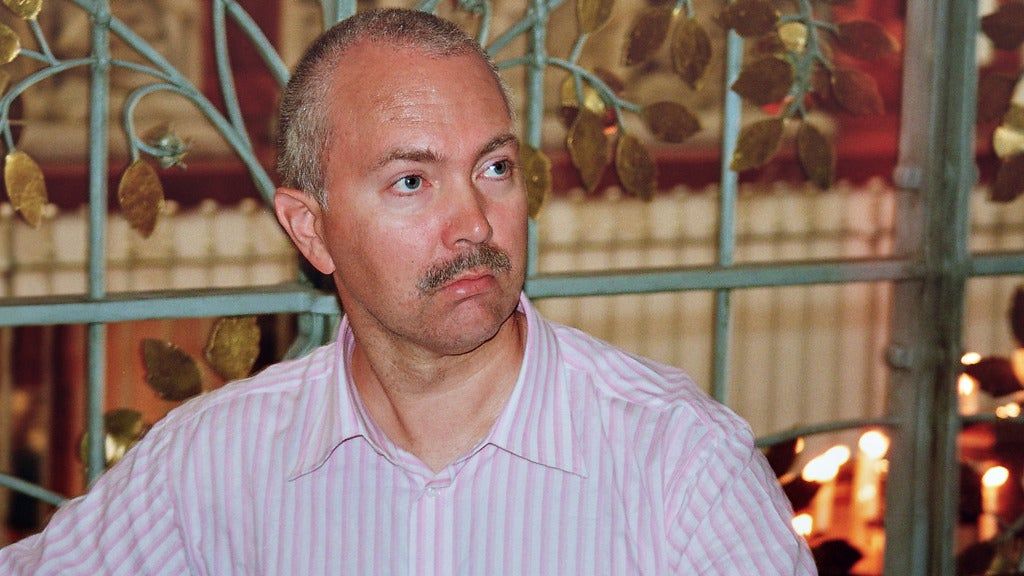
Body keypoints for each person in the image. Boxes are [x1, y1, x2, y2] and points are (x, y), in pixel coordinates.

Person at [0, 8, 816, 575]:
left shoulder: (679, 464)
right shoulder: (215, 461)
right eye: (412, 181)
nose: (474, 223)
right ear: (310, 230)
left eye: (494, 167)